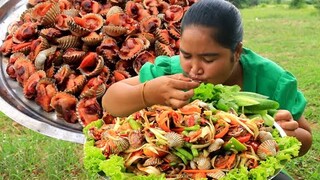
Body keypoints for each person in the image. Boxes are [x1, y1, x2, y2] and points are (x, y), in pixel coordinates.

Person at [102, 0, 312, 178]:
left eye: (208, 59)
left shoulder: (271, 80)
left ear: (237, 52)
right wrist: (147, 93)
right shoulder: (172, 71)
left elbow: (305, 140)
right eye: (186, 55)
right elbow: (110, 101)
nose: (194, 68)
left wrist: (286, 133)